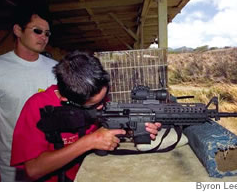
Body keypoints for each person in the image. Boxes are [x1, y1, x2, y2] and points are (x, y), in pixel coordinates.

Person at [10, 51, 161, 181]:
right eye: (94, 105)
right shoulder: (37, 107)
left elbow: (108, 127)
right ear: (66, 100)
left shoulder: (94, 95)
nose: (102, 106)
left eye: (104, 98)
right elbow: (32, 170)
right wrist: (89, 142)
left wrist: (133, 126)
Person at [0, 5, 57, 181]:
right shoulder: (0, 68)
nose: (43, 37)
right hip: (11, 169)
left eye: (47, 33)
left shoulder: (55, 69)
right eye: (37, 31)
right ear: (18, 30)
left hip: (52, 163)